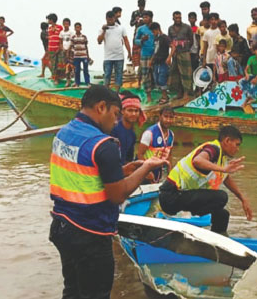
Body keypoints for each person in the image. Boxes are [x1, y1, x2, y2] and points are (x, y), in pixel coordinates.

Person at [49, 85, 168, 299]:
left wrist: (120, 171)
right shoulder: (104, 144)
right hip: (90, 234)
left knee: (72, 291)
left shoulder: (63, 133)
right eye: (114, 115)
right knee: (96, 294)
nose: (115, 122)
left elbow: (81, 173)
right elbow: (118, 195)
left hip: (62, 225)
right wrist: (146, 168)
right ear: (101, 107)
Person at [159, 126, 252, 235]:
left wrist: (242, 198)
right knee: (221, 197)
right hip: (171, 196)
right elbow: (198, 160)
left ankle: (217, 240)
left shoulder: (222, 158)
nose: (237, 149)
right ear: (227, 141)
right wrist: (223, 169)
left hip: (181, 196)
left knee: (223, 214)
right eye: (237, 145)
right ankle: (188, 216)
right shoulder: (214, 149)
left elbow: (226, 178)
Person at [138, 106, 175, 183]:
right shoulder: (149, 133)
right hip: (144, 169)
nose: (168, 120)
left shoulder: (171, 135)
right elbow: (140, 154)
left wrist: (170, 172)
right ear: (160, 116)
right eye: (165, 116)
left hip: (159, 170)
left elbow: (169, 156)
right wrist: (146, 172)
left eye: (171, 117)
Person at [97, 10, 132, 91]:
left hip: (119, 56)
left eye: (111, 19)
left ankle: (116, 92)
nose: (109, 21)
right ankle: (106, 92)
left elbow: (126, 40)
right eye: (108, 19)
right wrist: (104, 31)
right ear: (106, 19)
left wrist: (129, 53)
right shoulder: (102, 29)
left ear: (114, 18)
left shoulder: (121, 28)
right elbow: (99, 41)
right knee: (107, 75)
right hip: (108, 57)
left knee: (119, 75)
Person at [111, 92, 146, 165]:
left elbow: (128, 159)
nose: (133, 114)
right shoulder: (114, 130)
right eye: (130, 110)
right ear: (122, 111)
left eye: (136, 111)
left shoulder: (132, 134)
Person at [167, 11, 194, 99]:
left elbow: (191, 40)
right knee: (176, 73)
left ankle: (186, 93)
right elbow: (170, 41)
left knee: (186, 73)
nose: (178, 19)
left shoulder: (187, 27)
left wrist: (186, 49)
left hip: (185, 52)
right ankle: (179, 93)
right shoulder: (170, 28)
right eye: (176, 18)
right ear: (173, 18)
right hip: (175, 54)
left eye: (179, 18)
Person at [149, 22, 173, 104]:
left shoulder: (164, 38)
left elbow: (173, 47)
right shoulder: (156, 39)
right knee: (157, 79)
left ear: (157, 29)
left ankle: (165, 97)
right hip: (156, 61)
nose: (153, 33)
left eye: (153, 31)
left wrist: (169, 57)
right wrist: (151, 60)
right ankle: (163, 96)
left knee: (162, 79)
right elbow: (155, 51)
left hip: (163, 61)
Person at [135, 11, 155, 93]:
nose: (144, 19)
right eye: (143, 17)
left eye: (146, 17)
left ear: (151, 18)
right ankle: (148, 95)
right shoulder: (140, 29)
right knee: (145, 75)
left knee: (156, 74)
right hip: (145, 54)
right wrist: (142, 40)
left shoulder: (155, 27)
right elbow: (135, 41)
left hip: (155, 54)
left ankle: (158, 92)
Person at [240, 43, 257, 107]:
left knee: (252, 83)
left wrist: (256, 78)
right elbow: (246, 69)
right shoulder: (251, 58)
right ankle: (249, 96)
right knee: (241, 81)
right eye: (256, 50)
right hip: (253, 75)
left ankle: (249, 99)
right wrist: (247, 74)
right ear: (254, 51)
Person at [69, 22, 91, 87]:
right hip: (76, 56)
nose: (77, 28)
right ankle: (77, 83)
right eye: (76, 27)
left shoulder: (84, 37)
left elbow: (86, 46)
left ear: (81, 28)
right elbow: (72, 47)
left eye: (79, 27)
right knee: (77, 70)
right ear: (74, 28)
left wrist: (88, 56)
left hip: (84, 56)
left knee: (85, 70)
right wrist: (70, 56)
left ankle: (88, 83)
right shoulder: (73, 37)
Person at [45, 13, 64, 81]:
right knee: (53, 64)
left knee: (59, 64)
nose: (48, 21)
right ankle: (54, 77)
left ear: (52, 20)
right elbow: (50, 39)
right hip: (51, 49)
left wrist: (59, 47)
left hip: (58, 49)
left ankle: (59, 77)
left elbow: (61, 38)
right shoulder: (49, 28)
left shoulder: (60, 27)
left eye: (48, 20)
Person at [130, 0, 146, 74]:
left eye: (143, 6)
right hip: (137, 34)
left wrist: (144, 21)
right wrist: (136, 20)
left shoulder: (146, 13)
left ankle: (142, 69)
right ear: (138, 5)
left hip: (145, 34)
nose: (141, 7)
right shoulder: (135, 13)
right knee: (135, 52)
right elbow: (131, 24)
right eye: (140, 6)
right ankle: (135, 70)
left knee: (144, 52)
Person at [58, 18, 75, 85]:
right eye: (64, 24)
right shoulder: (61, 32)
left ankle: (74, 80)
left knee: (72, 66)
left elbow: (72, 42)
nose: (66, 25)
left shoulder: (71, 32)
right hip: (64, 51)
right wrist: (62, 49)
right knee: (66, 66)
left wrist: (68, 50)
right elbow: (60, 42)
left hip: (70, 51)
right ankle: (68, 80)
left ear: (69, 24)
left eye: (67, 24)